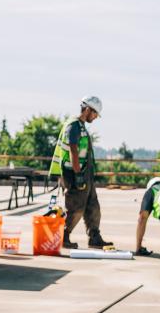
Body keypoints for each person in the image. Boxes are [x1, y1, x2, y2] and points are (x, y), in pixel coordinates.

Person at [48, 96, 113, 249]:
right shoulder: (74, 125)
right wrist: (77, 175)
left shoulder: (81, 126)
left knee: (93, 206)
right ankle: (63, 235)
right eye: (95, 113)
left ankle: (94, 237)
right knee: (76, 207)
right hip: (73, 173)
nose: (96, 117)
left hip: (84, 173)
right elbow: (73, 150)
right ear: (88, 109)